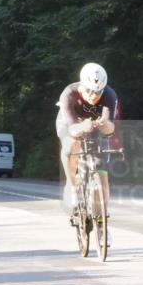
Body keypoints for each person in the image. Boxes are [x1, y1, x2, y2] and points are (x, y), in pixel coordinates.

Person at [56, 63, 121, 235]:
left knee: (102, 173)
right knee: (71, 144)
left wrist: (104, 124)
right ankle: (71, 186)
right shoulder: (69, 94)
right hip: (72, 123)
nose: (94, 96)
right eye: (90, 91)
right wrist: (83, 126)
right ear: (82, 86)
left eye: (98, 92)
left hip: (95, 125)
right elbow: (71, 129)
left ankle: (102, 222)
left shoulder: (109, 95)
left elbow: (110, 129)